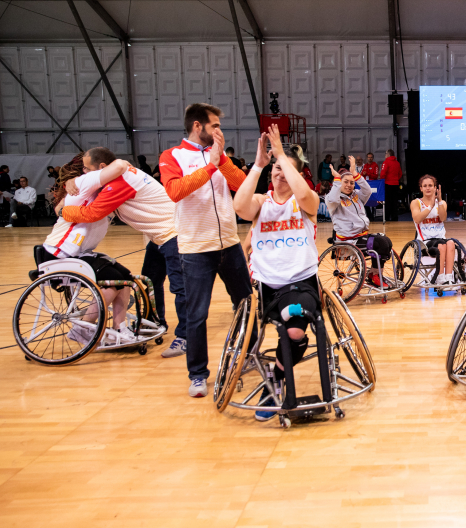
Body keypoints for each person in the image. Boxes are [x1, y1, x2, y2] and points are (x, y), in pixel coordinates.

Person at [159, 103, 253, 398]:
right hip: (196, 248)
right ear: (197, 126)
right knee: (197, 314)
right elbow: (175, 191)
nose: (219, 131)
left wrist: (221, 160)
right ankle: (198, 374)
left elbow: (242, 184)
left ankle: (250, 354)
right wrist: (211, 165)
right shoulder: (172, 156)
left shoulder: (219, 156)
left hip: (229, 242)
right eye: (215, 126)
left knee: (246, 304)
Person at [60, 146, 188, 359]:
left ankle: (186, 337)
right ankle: (155, 323)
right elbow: (88, 188)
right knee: (149, 282)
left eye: (86, 168)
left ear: (102, 167)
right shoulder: (116, 176)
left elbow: (93, 213)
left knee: (180, 288)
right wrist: (69, 182)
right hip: (160, 235)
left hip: (174, 234)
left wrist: (62, 210)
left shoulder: (121, 181)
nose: (84, 173)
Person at [232, 125, 318, 421]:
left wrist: (281, 154)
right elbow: (239, 207)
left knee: (295, 330)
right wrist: (258, 165)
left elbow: (305, 194)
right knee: (286, 323)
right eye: (276, 170)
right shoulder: (260, 203)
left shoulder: (306, 203)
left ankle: (277, 377)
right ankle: (276, 375)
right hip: (267, 286)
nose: (279, 174)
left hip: (302, 282)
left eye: (285, 170)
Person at [45, 154, 137, 345]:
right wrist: (71, 181)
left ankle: (119, 328)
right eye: (84, 169)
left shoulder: (106, 189)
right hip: (60, 252)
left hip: (80, 253)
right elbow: (119, 165)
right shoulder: (85, 182)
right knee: (113, 282)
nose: (86, 172)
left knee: (125, 277)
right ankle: (82, 328)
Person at [326, 156, 393, 289]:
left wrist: (356, 174)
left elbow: (367, 191)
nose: (349, 185)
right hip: (347, 242)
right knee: (379, 243)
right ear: (339, 182)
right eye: (345, 182)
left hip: (361, 237)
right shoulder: (332, 199)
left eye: (351, 182)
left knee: (386, 241)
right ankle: (374, 275)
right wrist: (337, 180)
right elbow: (333, 199)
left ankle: (375, 273)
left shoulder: (357, 195)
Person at [411, 175, 455, 285]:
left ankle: (449, 277)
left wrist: (439, 201)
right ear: (421, 188)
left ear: (436, 188)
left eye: (430, 185)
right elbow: (417, 219)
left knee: (450, 243)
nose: (428, 188)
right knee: (441, 245)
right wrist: (430, 206)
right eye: (424, 186)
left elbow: (443, 218)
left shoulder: (442, 203)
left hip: (440, 237)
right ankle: (440, 277)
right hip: (425, 241)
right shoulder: (416, 203)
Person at [380, 149, 402, 221]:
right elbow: (400, 174)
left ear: (388, 154)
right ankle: (394, 217)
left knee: (388, 201)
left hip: (388, 184)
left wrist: (382, 181)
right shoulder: (397, 163)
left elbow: (383, 173)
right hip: (395, 184)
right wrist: (395, 179)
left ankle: (387, 217)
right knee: (394, 202)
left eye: (386, 154)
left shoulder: (386, 162)